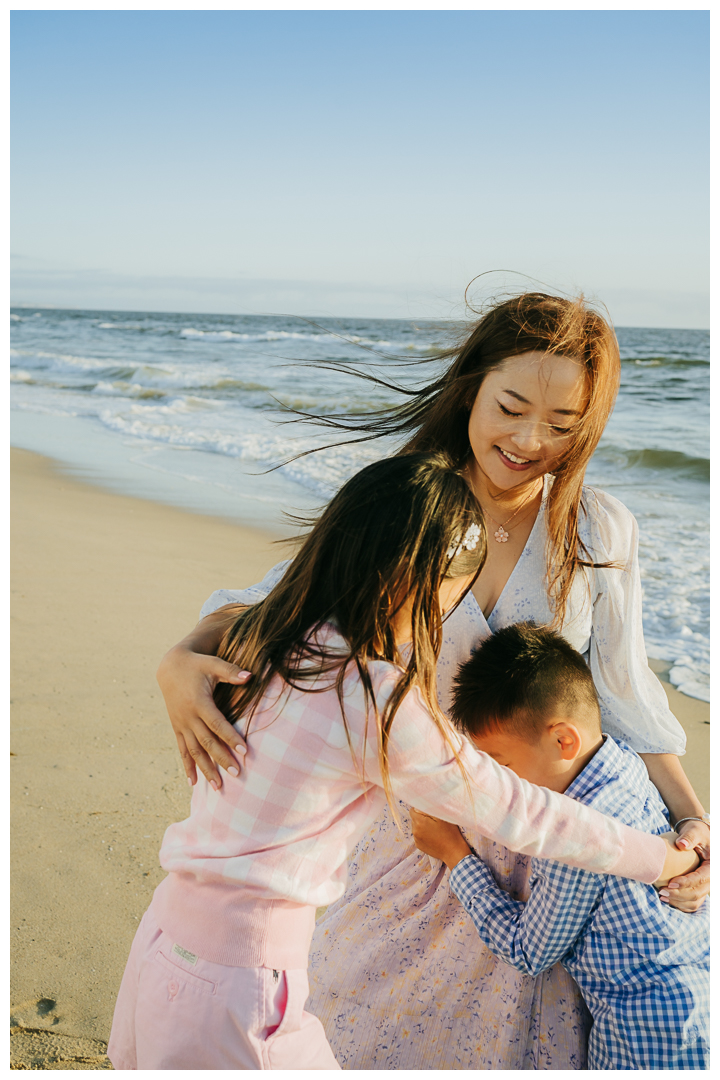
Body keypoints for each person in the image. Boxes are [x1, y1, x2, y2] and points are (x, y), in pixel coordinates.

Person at [157, 291, 710, 1069]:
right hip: (419, 835)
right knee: (371, 1031)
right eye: (512, 406)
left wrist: (694, 824)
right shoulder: (412, 504)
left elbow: (624, 695)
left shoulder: (596, 529)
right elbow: (287, 598)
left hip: (541, 856)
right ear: (473, 385)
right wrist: (178, 661)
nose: (528, 440)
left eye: (560, 426)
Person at [410, 621, 709, 1070]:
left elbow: (530, 950)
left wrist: (455, 855)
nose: (491, 783)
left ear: (563, 740)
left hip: (646, 1032)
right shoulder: (622, 762)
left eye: (500, 764)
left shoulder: (580, 834)